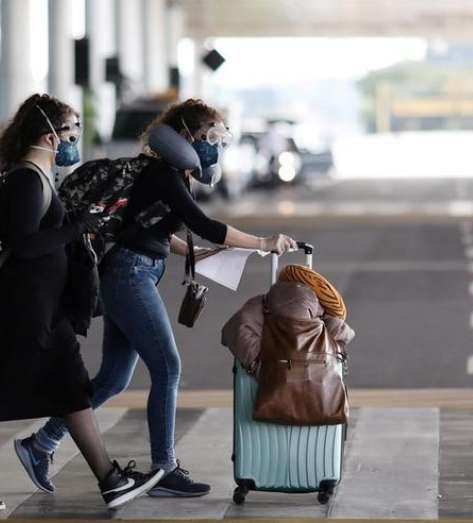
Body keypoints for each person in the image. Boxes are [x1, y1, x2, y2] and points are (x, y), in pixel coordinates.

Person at [15, 98, 297, 498]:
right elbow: (204, 223)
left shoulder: (169, 174)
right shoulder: (164, 172)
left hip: (132, 271)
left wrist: (196, 253)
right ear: (186, 135)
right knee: (168, 367)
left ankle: (40, 443)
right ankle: (164, 468)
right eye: (210, 136)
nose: (215, 145)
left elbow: (150, 229)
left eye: (221, 138)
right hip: (130, 276)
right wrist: (264, 242)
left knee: (113, 378)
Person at [0, 93, 163, 512]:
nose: (75, 138)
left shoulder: (39, 178)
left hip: (40, 304)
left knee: (69, 388)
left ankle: (111, 480)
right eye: (71, 130)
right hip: (25, 306)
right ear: (48, 135)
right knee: (2, 390)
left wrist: (82, 229)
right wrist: (76, 225)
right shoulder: (26, 179)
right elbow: (23, 245)